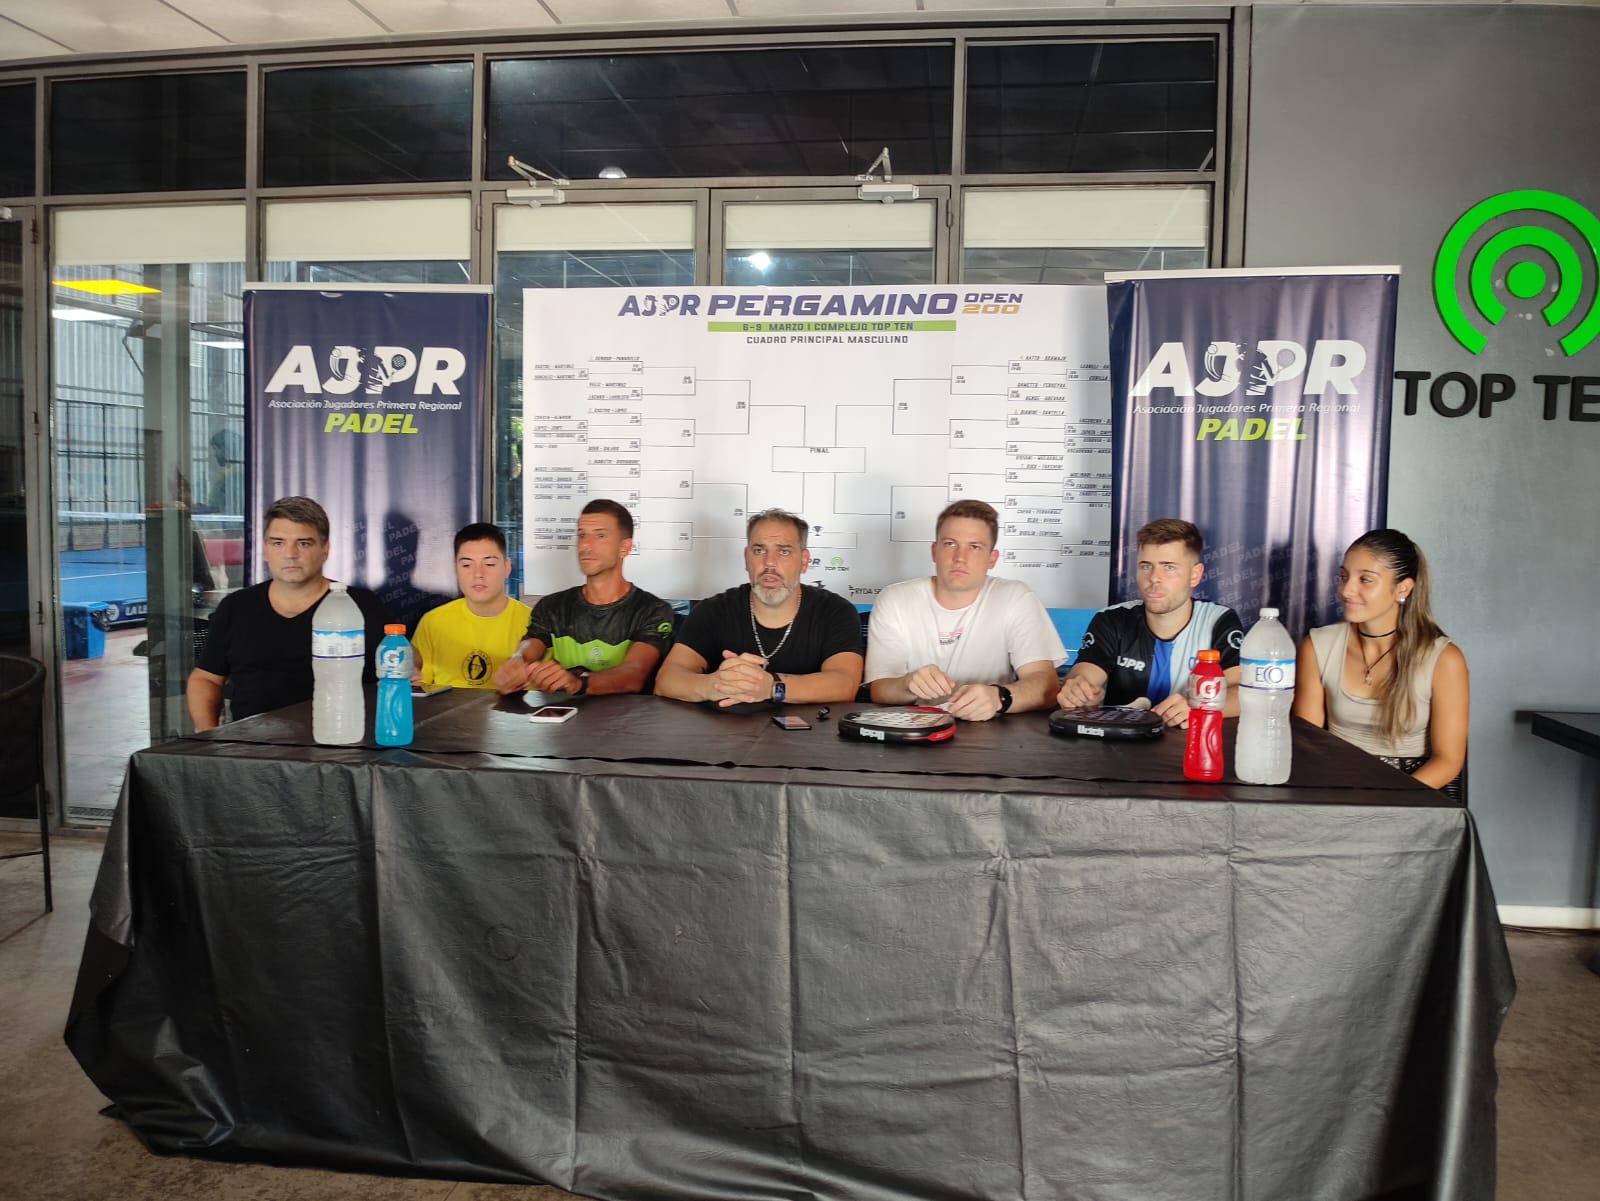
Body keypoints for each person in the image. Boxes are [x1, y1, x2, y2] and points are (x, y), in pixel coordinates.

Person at [186, 496, 388, 730]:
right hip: (250, 746)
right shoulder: (235, 607)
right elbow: (206, 678)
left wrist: (408, 662)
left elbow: (400, 664)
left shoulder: (360, 605)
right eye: (278, 543)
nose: (291, 554)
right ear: (265, 550)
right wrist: (208, 736)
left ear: (325, 550)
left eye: (304, 543)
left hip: (340, 741)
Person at [1292, 528, 1468, 794]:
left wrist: (1385, 805)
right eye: (1344, 576)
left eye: (1365, 580)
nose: (1347, 590)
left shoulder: (1445, 659)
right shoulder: (1317, 646)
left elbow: (1448, 761)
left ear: (1403, 588)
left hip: (1415, 793)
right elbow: (1309, 745)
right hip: (1338, 787)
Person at [864, 499, 1065, 720]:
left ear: (992, 559)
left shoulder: (1015, 597)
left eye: (975, 547)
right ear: (934, 551)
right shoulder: (894, 599)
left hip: (990, 729)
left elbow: (1046, 686)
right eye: (950, 544)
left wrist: (999, 697)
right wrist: (907, 684)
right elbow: (879, 691)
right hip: (915, 728)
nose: (960, 558)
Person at [654, 508, 863, 708]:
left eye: (783, 551)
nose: (769, 562)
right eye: (759, 550)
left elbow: (845, 685)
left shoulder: (835, 612)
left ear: (804, 561)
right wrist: (713, 685)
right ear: (747, 558)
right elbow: (666, 680)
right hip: (726, 730)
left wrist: (771, 687)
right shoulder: (713, 610)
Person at [1056, 518, 1243, 727]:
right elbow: (1084, 675)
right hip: (1120, 742)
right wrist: (1077, 691)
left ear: (1195, 575)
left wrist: (1200, 706)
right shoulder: (1111, 619)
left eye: (1169, 567)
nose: (1154, 578)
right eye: (1146, 566)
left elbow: (1242, 692)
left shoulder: (1219, 621)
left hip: (1188, 744)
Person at [493, 499, 674, 696]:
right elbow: (531, 645)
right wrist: (517, 662)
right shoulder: (551, 606)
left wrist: (579, 683)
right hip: (566, 715)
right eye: (581, 535)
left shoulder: (653, 610)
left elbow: (633, 674)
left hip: (631, 716)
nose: (585, 545)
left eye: (600, 536)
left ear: (625, 547)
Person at [411, 522, 531, 689]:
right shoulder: (433, 623)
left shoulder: (533, 624)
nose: (478, 574)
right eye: (467, 565)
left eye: (489, 564)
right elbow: (420, 686)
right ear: (456, 569)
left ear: (507, 568)